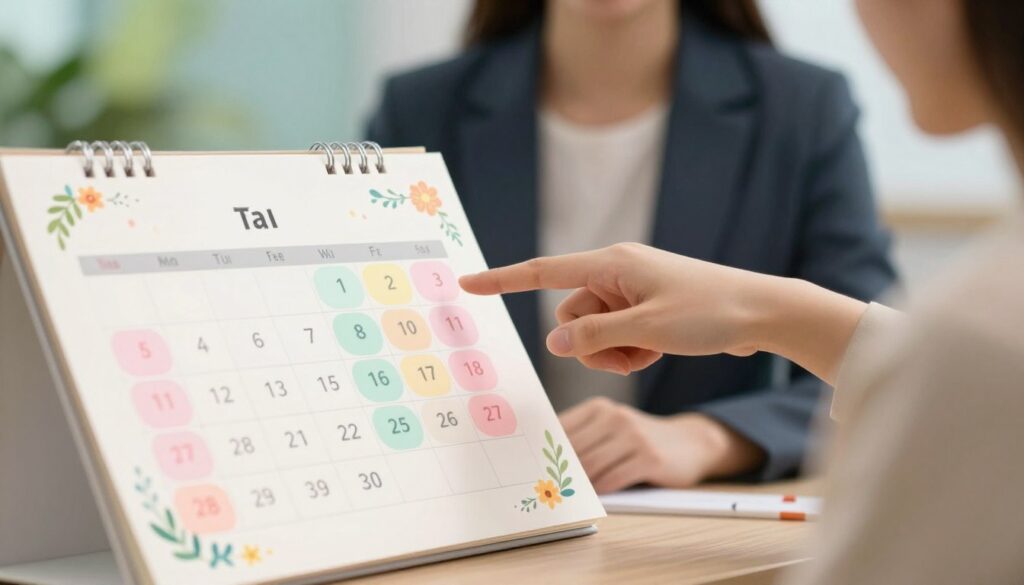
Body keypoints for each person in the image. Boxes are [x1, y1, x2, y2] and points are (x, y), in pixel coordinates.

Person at [461, 0, 1024, 581]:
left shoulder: (977, 340)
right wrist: (769, 313)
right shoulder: (425, 104)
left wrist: (708, 435)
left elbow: (927, 367)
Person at [368, 0, 896, 491]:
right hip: (476, 498)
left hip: (689, 524)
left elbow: (867, 360)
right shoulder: (418, 107)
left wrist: (708, 437)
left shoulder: (804, 107)